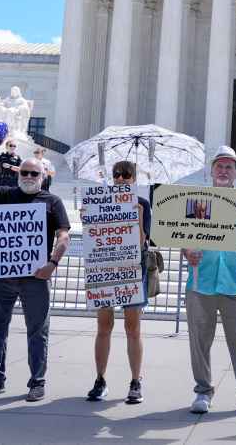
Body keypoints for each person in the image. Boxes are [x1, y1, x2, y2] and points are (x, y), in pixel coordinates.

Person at [0, 145, 70, 403]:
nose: (29, 177)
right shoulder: (6, 194)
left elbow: (64, 235)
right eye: (25, 173)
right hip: (2, 276)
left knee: (38, 331)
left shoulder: (52, 202)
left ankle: (37, 382)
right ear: (19, 175)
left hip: (36, 277)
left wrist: (53, 262)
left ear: (43, 177)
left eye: (34, 174)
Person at [182, 146, 236, 418]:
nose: (223, 171)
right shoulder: (195, 202)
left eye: (229, 167)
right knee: (199, 342)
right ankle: (202, 391)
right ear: (211, 171)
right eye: (219, 166)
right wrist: (188, 251)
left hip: (235, 285)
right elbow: (182, 237)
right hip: (201, 283)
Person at [87, 161, 151, 403]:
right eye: (117, 175)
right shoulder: (99, 200)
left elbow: (143, 241)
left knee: (133, 328)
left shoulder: (142, 204)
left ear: (134, 178)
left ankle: (136, 381)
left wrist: (137, 215)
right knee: (103, 327)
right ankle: (100, 380)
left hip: (133, 270)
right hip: (105, 268)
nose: (122, 179)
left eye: (127, 175)